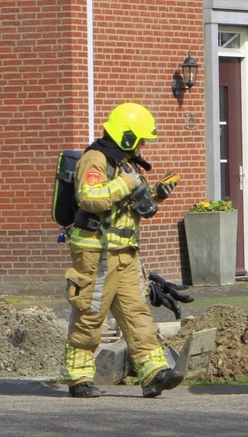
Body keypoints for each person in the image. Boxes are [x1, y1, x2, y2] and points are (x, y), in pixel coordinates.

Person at [62, 102, 181, 398]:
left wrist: (157, 194)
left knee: (136, 312)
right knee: (90, 314)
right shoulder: (95, 159)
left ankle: (154, 373)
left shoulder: (127, 164)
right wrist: (125, 183)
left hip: (125, 252)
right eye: (139, 139)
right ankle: (78, 378)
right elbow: (90, 197)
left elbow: (131, 202)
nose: (142, 146)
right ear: (126, 136)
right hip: (95, 253)